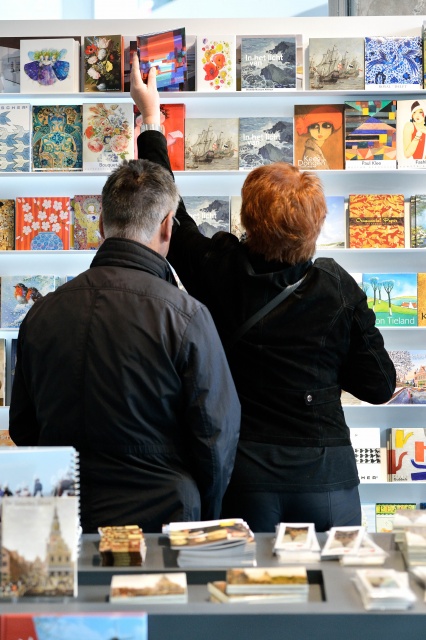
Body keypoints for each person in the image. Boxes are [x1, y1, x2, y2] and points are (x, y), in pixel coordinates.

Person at [130, 58, 396, 533]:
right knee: (333, 599)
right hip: (325, 478)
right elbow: (378, 385)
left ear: (249, 220)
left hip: (245, 474)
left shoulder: (220, 269)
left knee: (244, 596)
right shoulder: (336, 288)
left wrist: (152, 117)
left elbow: (171, 207)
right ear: (317, 225)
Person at [9, 154, 241, 533]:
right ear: (168, 226)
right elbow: (216, 434)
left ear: (101, 225)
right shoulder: (185, 315)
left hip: (68, 518)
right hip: (165, 516)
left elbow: (23, 426)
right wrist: (204, 509)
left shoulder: (43, 312)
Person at [294, 105, 343, 170]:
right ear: (309, 129)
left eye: (326, 126)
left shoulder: (315, 149)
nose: (320, 131)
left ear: (332, 129)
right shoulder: (311, 153)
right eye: (314, 127)